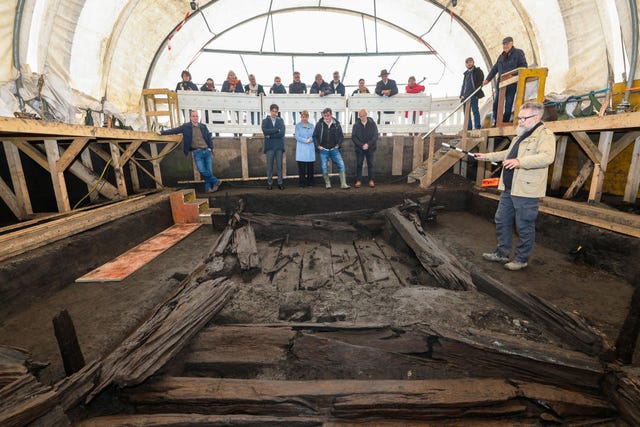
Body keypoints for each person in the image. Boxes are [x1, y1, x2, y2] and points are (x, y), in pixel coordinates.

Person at [474, 102, 555, 271]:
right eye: (519, 118)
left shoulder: (545, 135)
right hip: (509, 188)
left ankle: (521, 259)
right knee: (502, 220)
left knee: (524, 225)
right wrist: (486, 156)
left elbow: (547, 157)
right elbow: (508, 154)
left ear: (537, 117)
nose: (520, 121)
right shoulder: (521, 135)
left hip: (526, 191)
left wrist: (520, 162)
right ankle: (502, 253)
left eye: (524, 118)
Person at [158, 110, 220, 193]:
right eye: (193, 116)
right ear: (190, 117)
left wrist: (210, 148)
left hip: (207, 151)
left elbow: (209, 137)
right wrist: (162, 132)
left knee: (209, 171)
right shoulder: (186, 127)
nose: (195, 118)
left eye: (196, 116)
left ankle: (208, 188)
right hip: (197, 152)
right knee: (201, 170)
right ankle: (216, 181)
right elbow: (174, 130)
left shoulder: (203, 126)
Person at [483, 36, 527, 126]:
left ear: (512, 43)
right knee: (496, 104)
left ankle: (505, 122)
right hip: (501, 84)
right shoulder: (501, 56)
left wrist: (513, 75)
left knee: (508, 105)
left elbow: (524, 67)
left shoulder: (518, 53)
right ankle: (496, 122)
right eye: (504, 44)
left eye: (507, 44)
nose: (505, 46)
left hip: (511, 84)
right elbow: (494, 69)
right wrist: (487, 79)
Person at [313, 107, 349, 189]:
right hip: (324, 150)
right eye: (325, 116)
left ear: (331, 115)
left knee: (341, 164)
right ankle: (327, 183)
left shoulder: (336, 124)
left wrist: (338, 145)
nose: (326, 117)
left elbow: (341, 136)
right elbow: (315, 136)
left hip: (334, 149)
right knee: (324, 166)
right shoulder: (319, 124)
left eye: (328, 115)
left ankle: (343, 184)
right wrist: (318, 146)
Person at [261, 103, 286, 190]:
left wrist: (270, 135)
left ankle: (280, 183)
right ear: (270, 111)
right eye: (273, 111)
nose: (274, 113)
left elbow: (282, 133)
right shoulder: (265, 121)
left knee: (279, 166)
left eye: (276, 111)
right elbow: (264, 131)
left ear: (277, 112)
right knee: (269, 166)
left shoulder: (281, 120)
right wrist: (276, 130)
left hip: (279, 146)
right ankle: (269, 183)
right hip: (269, 147)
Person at [351, 108, 378, 188]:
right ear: (359, 116)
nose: (362, 117)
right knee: (359, 164)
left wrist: (368, 145)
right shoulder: (356, 125)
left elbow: (375, 135)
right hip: (360, 148)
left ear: (366, 115)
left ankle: (371, 180)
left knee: (371, 164)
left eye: (364, 115)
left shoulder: (372, 124)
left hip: (370, 148)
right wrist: (361, 145)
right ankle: (359, 180)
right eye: (361, 116)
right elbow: (354, 137)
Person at [460, 57, 485, 130]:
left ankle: (477, 126)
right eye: (467, 62)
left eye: (470, 62)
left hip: (474, 95)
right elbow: (464, 85)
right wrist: (461, 94)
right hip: (465, 96)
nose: (469, 63)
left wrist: (476, 92)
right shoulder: (466, 74)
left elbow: (480, 81)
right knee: (466, 113)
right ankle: (469, 127)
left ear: (473, 62)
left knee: (475, 111)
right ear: (466, 64)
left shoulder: (477, 71)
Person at [294, 110, 315, 187]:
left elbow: (314, 135)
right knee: (302, 168)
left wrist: (310, 139)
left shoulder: (312, 126)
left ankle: (311, 183)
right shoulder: (298, 126)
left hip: (310, 148)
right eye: (303, 117)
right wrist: (305, 140)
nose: (304, 118)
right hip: (301, 149)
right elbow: (297, 136)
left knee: (310, 167)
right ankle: (302, 183)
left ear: (308, 117)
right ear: (301, 117)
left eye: (306, 117)